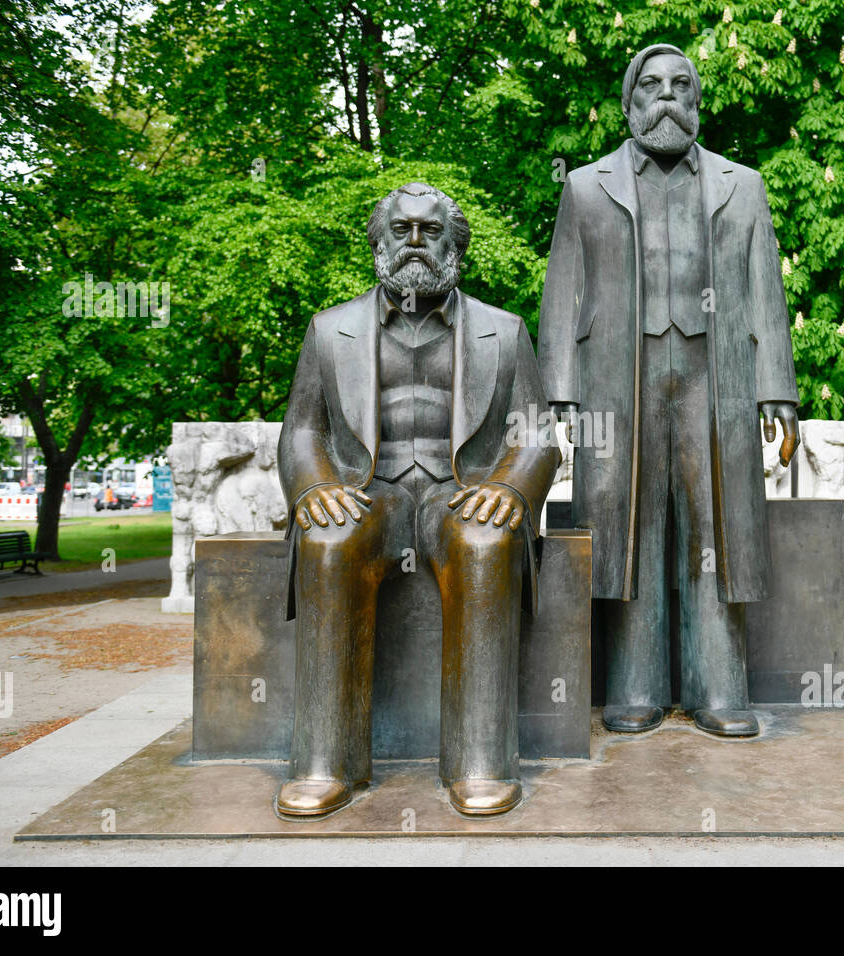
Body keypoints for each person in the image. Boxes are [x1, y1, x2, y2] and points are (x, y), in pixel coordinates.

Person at [538, 45, 800, 739]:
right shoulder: (587, 186)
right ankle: (636, 686)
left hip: (720, 376)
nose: (666, 97)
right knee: (631, 525)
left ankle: (719, 687)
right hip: (617, 378)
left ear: (697, 102)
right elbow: (563, 288)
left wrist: (779, 390)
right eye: (650, 86)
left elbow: (765, 289)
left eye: (681, 86)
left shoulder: (742, 184)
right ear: (628, 105)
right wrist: (558, 393)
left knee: (718, 525)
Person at [275, 182, 559, 819]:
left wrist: (510, 487)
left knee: (486, 541)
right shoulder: (329, 331)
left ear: (454, 245)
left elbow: (537, 436)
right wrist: (315, 486)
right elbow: (301, 432)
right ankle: (327, 762)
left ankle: (480, 761)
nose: (413, 242)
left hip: (460, 492)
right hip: (364, 491)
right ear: (377, 241)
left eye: (430, 232)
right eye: (399, 229)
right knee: (327, 540)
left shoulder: (504, 332)